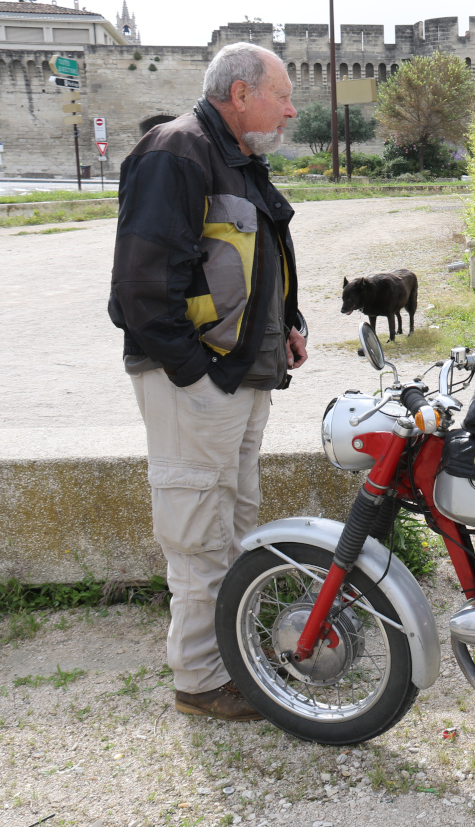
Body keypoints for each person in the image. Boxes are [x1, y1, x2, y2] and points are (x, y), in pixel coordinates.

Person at [107, 42, 306, 721]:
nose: (290, 108)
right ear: (241, 93)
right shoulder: (178, 150)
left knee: (234, 523)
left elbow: (255, 258)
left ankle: (235, 656)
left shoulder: (240, 160)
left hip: (241, 376)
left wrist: (290, 322)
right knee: (198, 532)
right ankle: (199, 678)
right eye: (281, 94)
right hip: (199, 381)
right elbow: (140, 286)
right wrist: (195, 375)